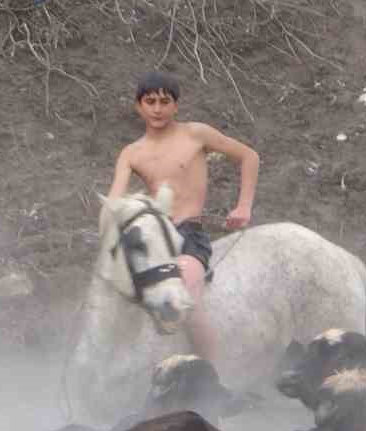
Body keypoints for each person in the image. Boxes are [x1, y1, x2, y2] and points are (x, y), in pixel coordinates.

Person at [107, 71, 260, 362]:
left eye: (165, 101)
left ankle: (211, 376)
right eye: (150, 101)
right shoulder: (131, 153)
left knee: (187, 297)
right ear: (138, 106)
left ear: (175, 106)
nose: (157, 108)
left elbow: (249, 156)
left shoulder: (195, 134)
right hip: (154, 237)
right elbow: (115, 200)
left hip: (189, 234)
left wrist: (244, 206)